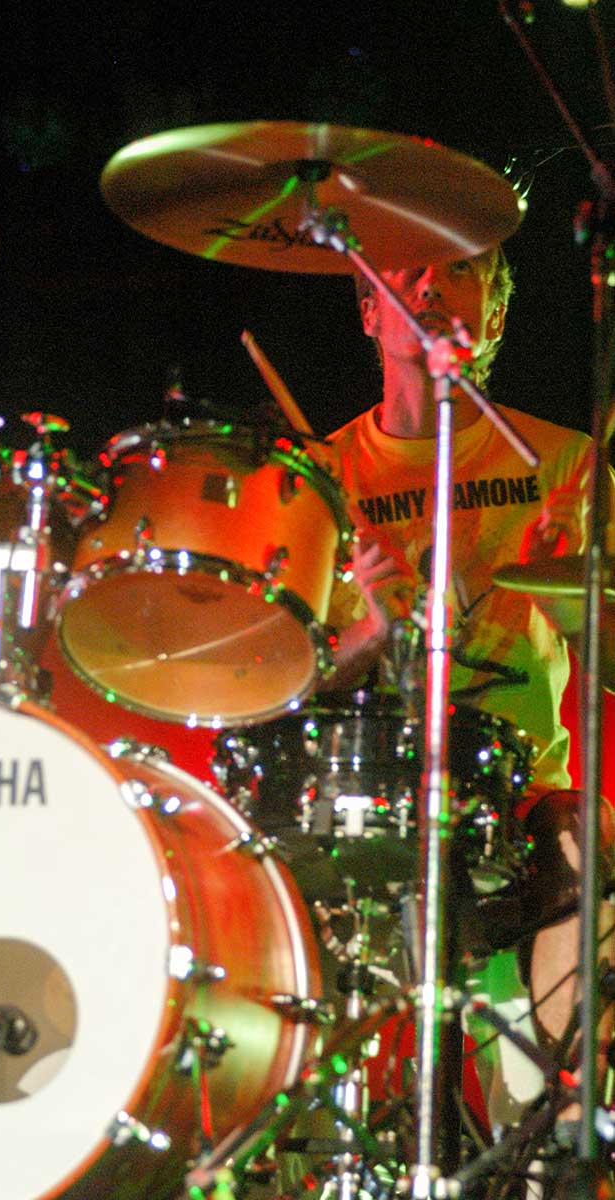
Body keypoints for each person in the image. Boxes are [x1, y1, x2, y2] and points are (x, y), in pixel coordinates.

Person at [321, 246, 615, 1142]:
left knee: (588, 841)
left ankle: (562, 1135)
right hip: (374, 794)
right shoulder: (319, 473)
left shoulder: (563, 463)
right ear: (369, 312)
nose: (427, 285)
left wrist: (573, 597)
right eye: (405, 271)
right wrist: (370, 632)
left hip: (521, 797)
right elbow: (281, 680)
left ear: (492, 317)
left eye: (458, 270)